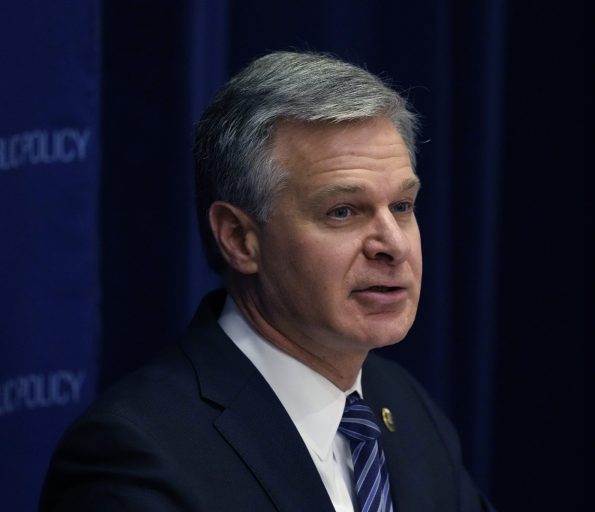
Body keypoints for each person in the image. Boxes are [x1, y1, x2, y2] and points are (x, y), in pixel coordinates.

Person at [40, 51, 494, 512]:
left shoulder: (406, 408)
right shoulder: (135, 455)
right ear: (240, 239)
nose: (393, 245)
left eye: (402, 206)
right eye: (342, 212)